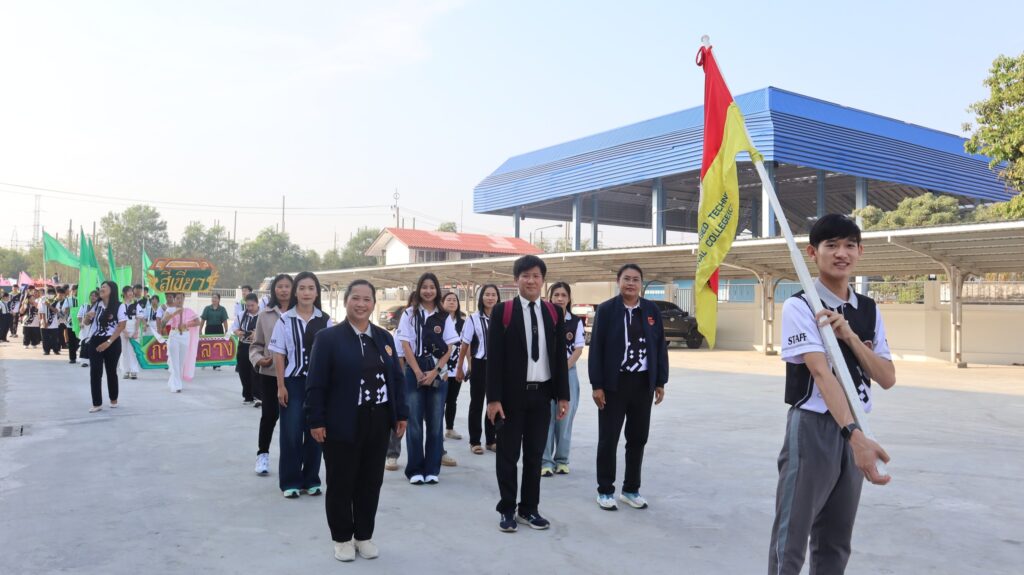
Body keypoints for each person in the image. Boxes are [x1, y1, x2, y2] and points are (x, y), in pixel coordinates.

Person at [768, 214, 896, 575]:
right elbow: (822, 374)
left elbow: (886, 376)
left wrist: (851, 337)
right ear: (813, 253)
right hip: (814, 428)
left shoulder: (868, 309)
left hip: (856, 427)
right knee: (791, 537)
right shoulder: (800, 306)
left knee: (836, 540)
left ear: (860, 251)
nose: (842, 253)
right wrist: (855, 436)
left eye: (850, 245)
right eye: (832, 245)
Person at [306, 279, 409, 562]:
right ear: (345, 301)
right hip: (341, 421)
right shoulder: (328, 339)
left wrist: (401, 413)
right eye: (356, 298)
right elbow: (316, 383)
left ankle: (364, 535)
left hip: (378, 420)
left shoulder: (384, 338)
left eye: (367, 299)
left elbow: (396, 379)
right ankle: (342, 537)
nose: (361, 304)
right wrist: (316, 419)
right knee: (341, 481)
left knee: (370, 481)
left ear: (374, 303)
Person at [486, 255, 569, 532]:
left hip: (541, 395)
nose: (531, 280)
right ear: (516, 279)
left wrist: (563, 395)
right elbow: (494, 359)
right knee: (508, 455)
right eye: (525, 275)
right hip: (511, 397)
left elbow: (559, 357)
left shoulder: (553, 312)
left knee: (534, 456)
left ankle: (529, 509)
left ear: (542, 280)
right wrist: (493, 399)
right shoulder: (503, 311)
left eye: (536, 276)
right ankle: (507, 509)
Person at [589, 263, 668, 511]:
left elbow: (659, 347)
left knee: (638, 438)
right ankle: (605, 490)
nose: (631, 283)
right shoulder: (606, 310)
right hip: (614, 384)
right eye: (626, 279)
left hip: (643, 383)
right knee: (609, 438)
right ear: (618, 281)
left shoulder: (651, 310)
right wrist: (597, 385)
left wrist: (660, 381)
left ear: (641, 284)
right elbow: (596, 348)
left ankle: (631, 489)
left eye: (635, 279)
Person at [269, 271, 331, 498]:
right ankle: (290, 482)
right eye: (302, 288)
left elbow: (331, 355)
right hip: (293, 383)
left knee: (316, 431)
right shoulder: (285, 319)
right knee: (291, 433)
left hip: (319, 385)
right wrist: (281, 386)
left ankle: (311, 479)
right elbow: (279, 354)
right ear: (296, 292)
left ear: (317, 293)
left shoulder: (325, 320)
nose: (306, 292)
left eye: (311, 288)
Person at [395, 272, 459, 485]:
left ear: (437, 290)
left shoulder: (444, 316)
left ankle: (432, 469)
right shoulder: (409, 314)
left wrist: (435, 371)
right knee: (414, 422)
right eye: (424, 287)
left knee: (435, 422)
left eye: (432, 287)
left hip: (437, 368)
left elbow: (449, 347)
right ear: (419, 289)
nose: (428, 291)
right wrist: (416, 372)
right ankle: (415, 469)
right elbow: (405, 344)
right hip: (414, 368)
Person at [249, 274, 293, 476]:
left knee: (294, 419)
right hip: (270, 374)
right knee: (269, 415)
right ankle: (263, 454)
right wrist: (259, 359)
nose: (283, 290)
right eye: (279, 286)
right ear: (274, 289)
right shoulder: (265, 315)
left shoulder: (300, 313)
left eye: (287, 286)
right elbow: (256, 345)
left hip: (295, 374)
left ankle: (292, 458)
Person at [541, 282, 585, 477]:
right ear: (550, 298)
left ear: (569, 299)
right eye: (556, 295)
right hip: (545, 374)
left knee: (564, 419)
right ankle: (545, 461)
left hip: (568, 373)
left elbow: (578, 349)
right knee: (545, 418)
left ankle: (562, 460)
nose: (560, 298)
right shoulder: (542, 319)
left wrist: (562, 369)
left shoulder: (575, 322)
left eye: (563, 295)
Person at [455, 284, 500, 455]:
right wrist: (460, 367)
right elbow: (465, 345)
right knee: (477, 403)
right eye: (487, 294)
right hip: (479, 364)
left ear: (498, 297)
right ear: (481, 298)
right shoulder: (473, 319)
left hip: (497, 365)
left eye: (493, 294)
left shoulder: (502, 317)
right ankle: (475, 441)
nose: (490, 298)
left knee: (494, 401)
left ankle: (491, 440)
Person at [83, 281, 127, 412]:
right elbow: (86, 322)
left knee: (111, 371)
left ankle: (113, 399)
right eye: (101, 287)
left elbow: (121, 326)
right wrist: (87, 317)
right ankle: (97, 403)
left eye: (104, 287)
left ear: (111, 290)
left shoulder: (119, 306)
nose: (101, 289)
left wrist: (108, 342)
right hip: (96, 340)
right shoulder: (96, 305)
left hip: (112, 341)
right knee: (95, 372)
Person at [440, 291, 465, 467]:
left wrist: (464, 366)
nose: (451, 302)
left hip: (456, 367)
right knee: (439, 401)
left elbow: (466, 344)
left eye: (454, 299)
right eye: (448, 299)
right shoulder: (439, 320)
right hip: (441, 367)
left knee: (452, 400)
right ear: (442, 303)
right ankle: (438, 430)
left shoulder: (463, 322)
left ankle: (449, 428)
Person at [159, 292, 200, 393]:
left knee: (181, 362)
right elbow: (163, 323)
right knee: (174, 361)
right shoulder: (170, 310)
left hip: (185, 336)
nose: (179, 300)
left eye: (181, 298)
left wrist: (187, 324)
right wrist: (175, 313)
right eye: (177, 298)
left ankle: (175, 381)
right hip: (174, 335)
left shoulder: (188, 311)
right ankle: (177, 385)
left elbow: (198, 321)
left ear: (184, 299)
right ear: (174, 299)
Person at [232, 293, 260, 405]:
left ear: (257, 303)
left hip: (258, 347)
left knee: (257, 372)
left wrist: (257, 333)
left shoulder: (263, 315)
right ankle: (248, 396)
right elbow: (234, 328)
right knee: (243, 371)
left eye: (252, 305)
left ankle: (258, 396)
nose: (250, 308)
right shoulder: (241, 314)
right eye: (248, 305)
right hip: (243, 345)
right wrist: (238, 332)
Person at [200, 293, 230, 371]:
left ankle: (216, 365)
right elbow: (203, 320)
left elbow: (225, 321)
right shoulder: (207, 308)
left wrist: (226, 331)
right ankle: (204, 362)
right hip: (209, 329)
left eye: (216, 298)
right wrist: (200, 330)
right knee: (207, 346)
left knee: (218, 347)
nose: (214, 299)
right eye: (213, 297)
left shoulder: (222, 309)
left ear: (219, 299)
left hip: (218, 329)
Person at [119, 286, 142, 379]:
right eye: (129, 291)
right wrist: (124, 331)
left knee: (133, 350)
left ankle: (134, 371)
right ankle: (125, 371)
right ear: (124, 293)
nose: (131, 293)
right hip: (123, 329)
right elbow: (119, 320)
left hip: (133, 329)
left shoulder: (136, 305)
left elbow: (138, 319)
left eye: (132, 291)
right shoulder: (120, 306)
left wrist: (136, 331)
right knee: (124, 351)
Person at [77, 289, 100, 368]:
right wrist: (81, 323)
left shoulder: (99, 307)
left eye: (95, 296)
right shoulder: (84, 305)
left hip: (94, 328)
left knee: (93, 344)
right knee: (84, 343)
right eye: (92, 295)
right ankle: (84, 361)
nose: (93, 297)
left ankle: (93, 360)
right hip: (85, 327)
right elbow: (79, 316)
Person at [61, 285, 82, 365]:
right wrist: (69, 309)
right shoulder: (68, 300)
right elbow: (64, 311)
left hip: (80, 323)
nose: (77, 292)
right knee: (72, 341)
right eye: (76, 290)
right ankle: (72, 358)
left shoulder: (82, 299)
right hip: (71, 323)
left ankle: (81, 355)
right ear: (72, 291)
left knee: (79, 340)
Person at [40, 287, 62, 356]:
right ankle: (46, 350)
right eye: (49, 293)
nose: (50, 295)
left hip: (54, 324)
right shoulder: (43, 300)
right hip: (44, 323)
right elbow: (42, 312)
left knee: (54, 338)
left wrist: (49, 305)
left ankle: (56, 350)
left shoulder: (56, 301)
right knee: (45, 338)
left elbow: (56, 311)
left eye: (52, 293)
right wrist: (44, 322)